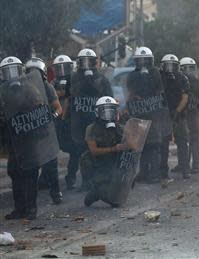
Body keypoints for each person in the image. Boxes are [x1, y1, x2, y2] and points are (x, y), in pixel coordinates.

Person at [0, 56, 59, 220]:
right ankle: (19, 209)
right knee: (14, 172)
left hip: (29, 138)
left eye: (14, 70)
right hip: (13, 139)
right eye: (7, 71)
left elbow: (40, 108)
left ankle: (31, 209)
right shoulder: (2, 91)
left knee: (30, 173)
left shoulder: (30, 88)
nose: (11, 74)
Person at [65, 48, 113, 190]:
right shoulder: (72, 78)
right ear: (79, 63)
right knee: (77, 153)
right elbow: (67, 96)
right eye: (83, 62)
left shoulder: (101, 79)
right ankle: (71, 178)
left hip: (95, 123)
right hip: (78, 122)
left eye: (89, 61)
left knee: (94, 153)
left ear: (94, 62)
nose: (86, 64)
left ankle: (92, 181)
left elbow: (108, 98)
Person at [25, 57, 63, 204]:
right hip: (30, 131)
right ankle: (30, 199)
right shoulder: (24, 88)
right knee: (32, 166)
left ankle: (56, 192)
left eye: (37, 72)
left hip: (46, 130)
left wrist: (53, 116)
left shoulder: (47, 87)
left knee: (51, 163)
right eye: (31, 72)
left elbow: (58, 107)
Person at [127, 47, 167, 184]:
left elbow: (160, 91)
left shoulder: (156, 73)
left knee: (154, 145)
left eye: (146, 60)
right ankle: (143, 172)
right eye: (141, 60)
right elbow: (131, 91)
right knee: (141, 145)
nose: (143, 63)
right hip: (139, 113)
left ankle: (155, 173)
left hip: (154, 114)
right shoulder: (132, 75)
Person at [83, 96, 127, 207]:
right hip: (98, 165)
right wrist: (113, 149)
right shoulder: (91, 129)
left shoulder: (120, 128)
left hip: (114, 164)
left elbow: (131, 144)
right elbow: (94, 151)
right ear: (98, 112)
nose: (108, 114)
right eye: (105, 111)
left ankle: (106, 188)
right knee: (114, 201)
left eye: (111, 110)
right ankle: (96, 192)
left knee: (121, 187)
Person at [159, 54, 191, 179]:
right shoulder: (160, 78)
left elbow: (185, 97)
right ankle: (163, 171)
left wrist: (177, 111)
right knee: (164, 144)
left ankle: (185, 169)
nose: (171, 68)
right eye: (168, 65)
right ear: (163, 66)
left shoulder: (182, 78)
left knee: (182, 142)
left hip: (178, 115)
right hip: (165, 114)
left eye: (173, 65)